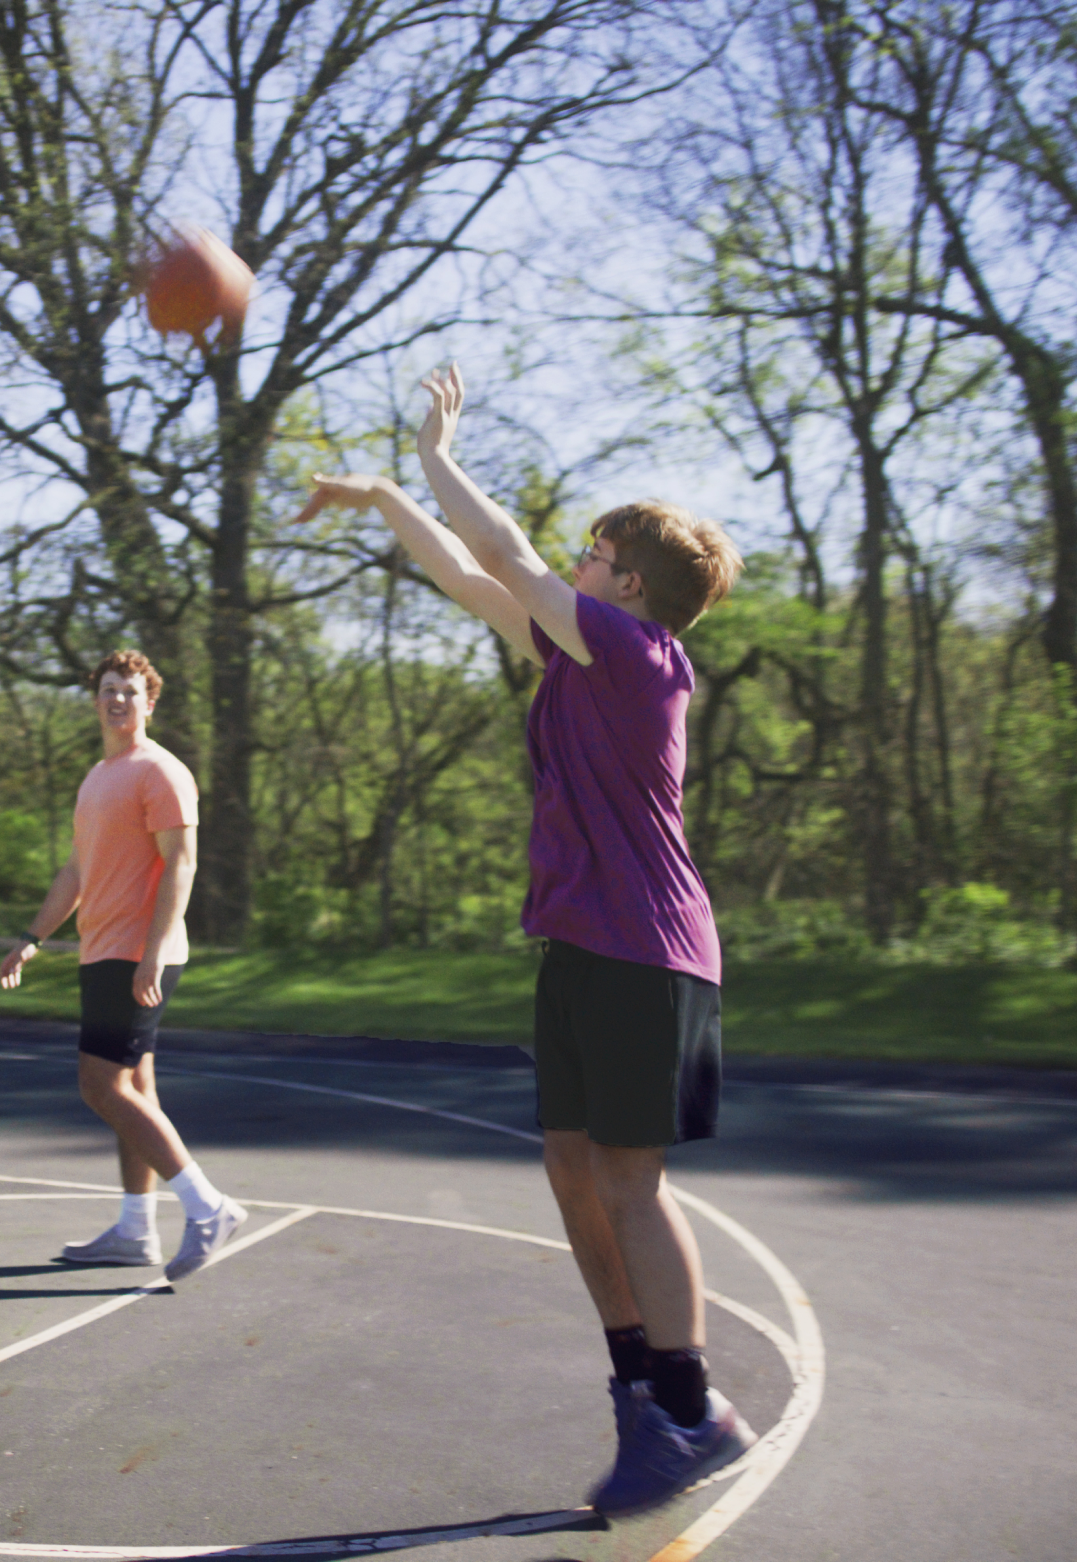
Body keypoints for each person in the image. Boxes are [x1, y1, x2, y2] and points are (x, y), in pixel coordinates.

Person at [294, 365, 750, 1517]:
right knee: (569, 1167)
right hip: (582, 942)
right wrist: (390, 494)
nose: (573, 560)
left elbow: (502, 551)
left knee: (631, 1183)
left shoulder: (641, 660)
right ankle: (639, 1387)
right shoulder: (575, 655)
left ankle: (693, 1410)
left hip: (647, 950)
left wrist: (441, 452)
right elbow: (468, 573)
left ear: (627, 580)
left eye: (591, 553)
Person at [0, 650, 247, 1283]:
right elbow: (78, 870)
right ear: (95, 699)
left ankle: (207, 1206)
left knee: (98, 1086)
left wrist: (152, 954)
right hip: (101, 950)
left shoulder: (161, 772)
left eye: (130, 692)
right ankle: (136, 1230)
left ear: (150, 702)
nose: (118, 701)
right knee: (134, 1090)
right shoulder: (99, 777)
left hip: (136, 955)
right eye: (109, 690)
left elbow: (181, 866)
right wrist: (33, 936)